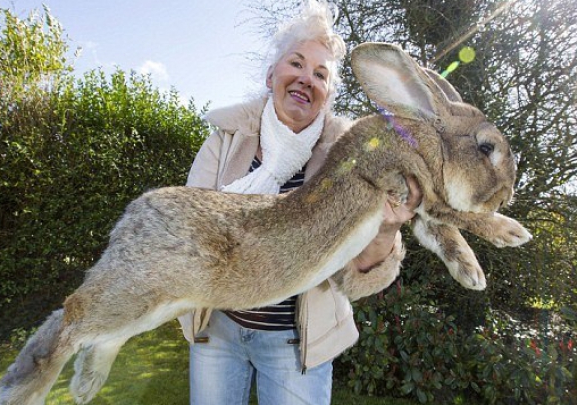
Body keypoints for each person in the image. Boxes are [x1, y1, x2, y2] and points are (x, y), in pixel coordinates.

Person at [178, 1, 421, 404]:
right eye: (297, 64)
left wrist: (386, 229)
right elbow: (189, 227)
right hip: (217, 330)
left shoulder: (350, 157)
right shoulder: (226, 137)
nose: (307, 79)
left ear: (327, 94)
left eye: (320, 74)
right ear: (271, 74)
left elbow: (355, 273)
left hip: (296, 343)